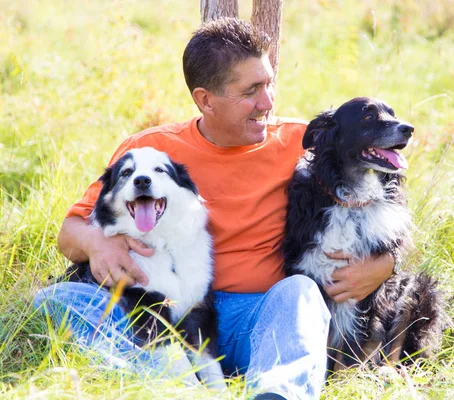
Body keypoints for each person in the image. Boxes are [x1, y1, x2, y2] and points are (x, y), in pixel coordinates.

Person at [34, 18, 395, 400]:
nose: (267, 102)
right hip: (161, 310)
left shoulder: (301, 142)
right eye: (251, 90)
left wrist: (383, 265)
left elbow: (382, 205)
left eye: (268, 83)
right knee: (57, 301)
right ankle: (166, 380)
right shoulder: (152, 150)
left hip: (256, 318)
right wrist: (96, 243)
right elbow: (69, 232)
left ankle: (277, 392)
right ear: (206, 99)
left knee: (301, 293)